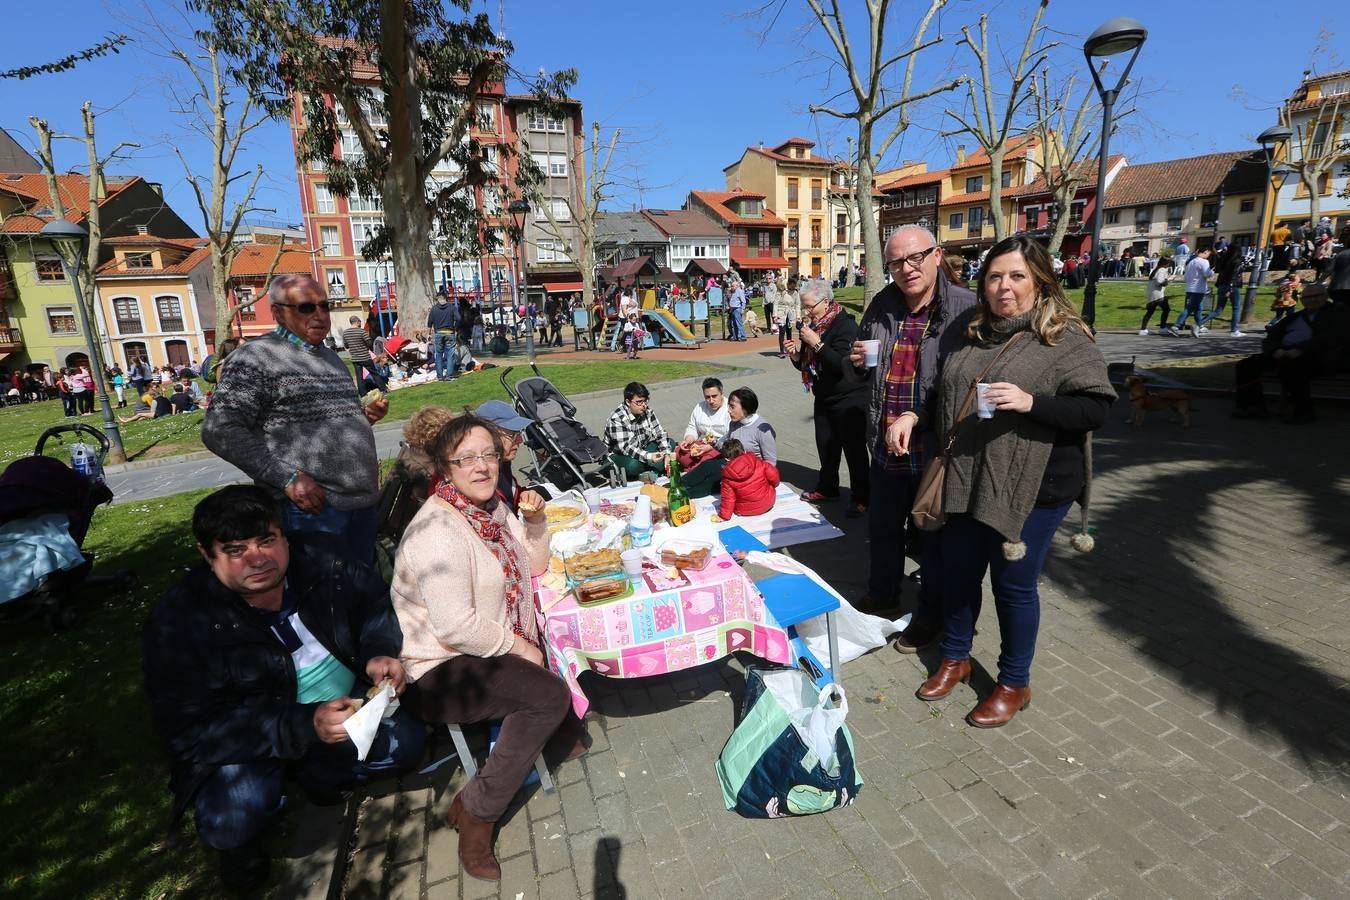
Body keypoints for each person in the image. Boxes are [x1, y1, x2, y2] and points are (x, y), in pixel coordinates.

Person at [142, 486, 424, 891]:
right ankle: (259, 825)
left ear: (284, 535)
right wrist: (304, 725)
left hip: (344, 706)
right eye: (236, 550)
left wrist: (378, 651)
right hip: (258, 736)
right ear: (206, 554)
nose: (258, 559)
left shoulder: (323, 557)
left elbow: (375, 605)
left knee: (409, 745)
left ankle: (315, 770)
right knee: (231, 820)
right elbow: (188, 730)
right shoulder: (178, 623)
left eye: (267, 540)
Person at [916, 234, 1114, 729]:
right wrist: (915, 420)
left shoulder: (1065, 336)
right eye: (995, 276)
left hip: (1036, 486)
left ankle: (1013, 682)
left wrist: (1032, 403)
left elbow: (1096, 407)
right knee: (960, 573)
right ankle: (956, 659)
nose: (1004, 287)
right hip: (969, 471)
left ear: (1040, 281)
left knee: (1013, 586)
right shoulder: (975, 330)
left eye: (1017, 276)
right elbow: (946, 390)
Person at [391, 415, 584, 882]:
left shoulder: (492, 507)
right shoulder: (439, 529)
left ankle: (550, 735)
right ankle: (477, 813)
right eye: (466, 459)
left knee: (556, 697)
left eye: (488, 455)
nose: (481, 467)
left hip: (481, 644)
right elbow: (456, 627)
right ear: (445, 467)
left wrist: (535, 521)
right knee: (548, 696)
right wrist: (520, 647)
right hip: (438, 667)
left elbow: (533, 565)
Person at [842, 224, 977, 636]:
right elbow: (861, 363)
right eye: (897, 261)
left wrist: (919, 413)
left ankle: (929, 615)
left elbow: (967, 384)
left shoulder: (965, 309)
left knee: (932, 536)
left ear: (936, 255)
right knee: (882, 529)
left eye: (915, 257)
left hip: (936, 448)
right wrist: (857, 361)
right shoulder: (883, 304)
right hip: (886, 444)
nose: (907, 268)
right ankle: (882, 593)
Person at [203, 274, 390, 564]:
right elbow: (219, 430)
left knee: (360, 597)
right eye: (306, 307)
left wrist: (364, 417)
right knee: (324, 601)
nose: (319, 315)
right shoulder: (256, 357)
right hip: (312, 512)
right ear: (277, 312)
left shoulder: (330, 357)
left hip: (360, 506)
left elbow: (325, 422)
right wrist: (286, 478)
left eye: (325, 306)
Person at [786, 278, 869, 517]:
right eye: (804, 306)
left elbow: (842, 365)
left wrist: (817, 343)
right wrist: (795, 357)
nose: (806, 311)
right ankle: (828, 488)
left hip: (849, 397)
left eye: (810, 306)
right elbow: (808, 364)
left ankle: (862, 497)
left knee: (854, 451)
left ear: (825, 302)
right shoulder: (814, 326)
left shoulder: (846, 326)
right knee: (826, 445)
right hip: (824, 397)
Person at [1232, 283, 1350, 424]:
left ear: (1325, 297)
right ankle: (1251, 406)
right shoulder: (1294, 317)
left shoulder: (1337, 314)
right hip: (1284, 352)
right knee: (1246, 365)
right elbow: (1272, 336)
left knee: (1294, 367)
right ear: (1302, 300)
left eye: (1317, 296)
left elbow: (1330, 337)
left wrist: (1301, 349)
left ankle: (1303, 412)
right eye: (1308, 297)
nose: (1312, 300)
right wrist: (1276, 350)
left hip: (1319, 356)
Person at [475, 399, 535, 514]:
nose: (520, 440)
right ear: (490, 437)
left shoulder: (503, 463)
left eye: (519, 434)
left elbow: (510, 495)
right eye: (513, 435)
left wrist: (525, 495)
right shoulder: (481, 478)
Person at [603, 382, 672, 479]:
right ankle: (652, 469)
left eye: (645, 401)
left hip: (641, 449)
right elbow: (627, 448)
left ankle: (652, 469)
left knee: (670, 443)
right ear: (628, 402)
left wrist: (666, 453)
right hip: (620, 456)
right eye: (639, 402)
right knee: (633, 466)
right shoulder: (617, 419)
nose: (643, 405)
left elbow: (660, 433)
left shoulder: (647, 411)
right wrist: (649, 456)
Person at [717, 438, 780, 518]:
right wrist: (773, 486)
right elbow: (774, 476)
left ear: (727, 459)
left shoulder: (727, 477)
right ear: (744, 451)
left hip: (745, 510)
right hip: (768, 502)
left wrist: (724, 516)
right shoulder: (758, 461)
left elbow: (728, 499)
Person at [723, 387, 777, 465]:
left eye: (732, 407)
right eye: (729, 406)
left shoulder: (763, 430)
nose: (729, 410)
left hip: (754, 474)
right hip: (733, 470)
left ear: (746, 407)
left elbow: (771, 462)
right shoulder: (733, 423)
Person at [1169, 246, 1213, 337]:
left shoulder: (1191, 262)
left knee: (1198, 308)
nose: (1209, 255)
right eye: (1209, 253)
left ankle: (1200, 326)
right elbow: (1207, 274)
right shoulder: (1204, 262)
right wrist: (1211, 272)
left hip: (1189, 288)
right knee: (1190, 308)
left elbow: (1185, 276)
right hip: (1198, 288)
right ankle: (1176, 326)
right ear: (1205, 251)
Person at [1203, 247, 1247, 336]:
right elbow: (1234, 275)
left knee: (1218, 310)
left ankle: (1198, 323)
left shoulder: (1224, 260)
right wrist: (1230, 289)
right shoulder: (1237, 261)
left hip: (1222, 286)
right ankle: (1234, 330)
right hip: (1233, 287)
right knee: (1236, 308)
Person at [679, 377, 732, 445]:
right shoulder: (699, 407)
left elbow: (732, 435)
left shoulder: (731, 409)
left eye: (714, 396)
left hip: (725, 447)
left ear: (722, 393)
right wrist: (689, 438)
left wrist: (716, 443)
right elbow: (693, 427)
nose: (711, 401)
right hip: (704, 445)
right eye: (707, 397)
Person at [342, 316, 387, 391]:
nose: (360, 323)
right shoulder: (361, 331)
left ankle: (362, 394)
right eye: (360, 321)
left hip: (355, 359)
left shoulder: (345, 333)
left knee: (359, 377)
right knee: (374, 374)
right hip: (365, 357)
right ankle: (383, 389)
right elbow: (369, 343)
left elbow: (346, 345)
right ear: (356, 321)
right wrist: (365, 348)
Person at [428, 290, 461, 381]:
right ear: (446, 298)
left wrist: (429, 334)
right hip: (450, 333)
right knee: (450, 355)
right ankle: (449, 376)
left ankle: (439, 376)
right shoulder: (452, 307)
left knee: (438, 355)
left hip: (438, 333)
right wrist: (455, 328)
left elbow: (429, 322)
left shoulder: (434, 309)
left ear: (438, 298)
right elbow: (459, 318)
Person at [1139, 257, 1174, 335]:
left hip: (1151, 293)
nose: (1169, 265)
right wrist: (1169, 279)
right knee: (1166, 310)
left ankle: (1143, 329)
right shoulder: (1162, 270)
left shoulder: (1156, 269)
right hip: (1158, 295)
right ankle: (1162, 328)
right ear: (1166, 263)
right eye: (1169, 263)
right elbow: (1159, 282)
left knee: (1150, 312)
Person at [777, 275, 801, 358]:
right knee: (782, 332)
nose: (794, 286)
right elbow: (776, 303)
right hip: (782, 314)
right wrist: (775, 315)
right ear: (789, 284)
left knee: (789, 332)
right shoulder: (782, 291)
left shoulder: (796, 292)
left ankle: (789, 350)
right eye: (793, 285)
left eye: (795, 285)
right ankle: (781, 351)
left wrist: (798, 316)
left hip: (790, 314)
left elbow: (797, 305)